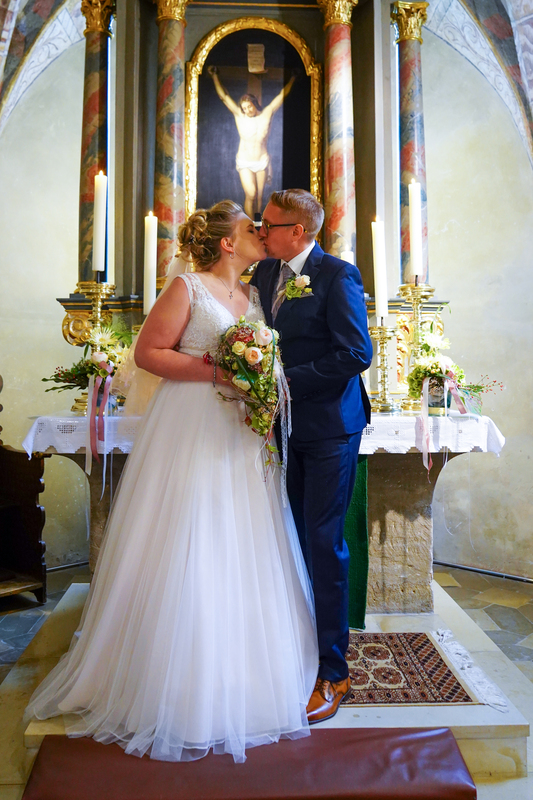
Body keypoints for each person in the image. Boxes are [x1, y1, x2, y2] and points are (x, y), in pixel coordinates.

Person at [26, 200, 318, 763]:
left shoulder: (254, 295)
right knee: (192, 533)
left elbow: (261, 359)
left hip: (239, 434)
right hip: (192, 424)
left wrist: (260, 386)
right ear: (227, 243)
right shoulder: (188, 287)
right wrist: (220, 372)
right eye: (250, 228)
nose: (261, 233)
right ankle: (176, 682)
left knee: (242, 539)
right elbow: (149, 353)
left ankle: (243, 675)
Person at [251, 189, 372, 724]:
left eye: (269, 225)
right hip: (280, 430)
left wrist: (283, 383)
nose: (261, 232)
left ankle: (333, 670)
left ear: (297, 232)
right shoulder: (263, 274)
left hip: (328, 430)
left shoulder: (337, 275)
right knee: (287, 538)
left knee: (323, 543)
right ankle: (294, 651)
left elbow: (355, 353)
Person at [207, 66, 295, 218]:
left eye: (249, 106)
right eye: (244, 108)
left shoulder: (266, 114)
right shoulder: (240, 117)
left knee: (260, 197)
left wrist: (292, 79)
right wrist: (214, 76)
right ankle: (249, 222)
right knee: (251, 193)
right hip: (245, 161)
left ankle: (256, 223)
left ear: (255, 104)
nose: (247, 110)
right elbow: (224, 97)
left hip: (262, 160)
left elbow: (281, 96)